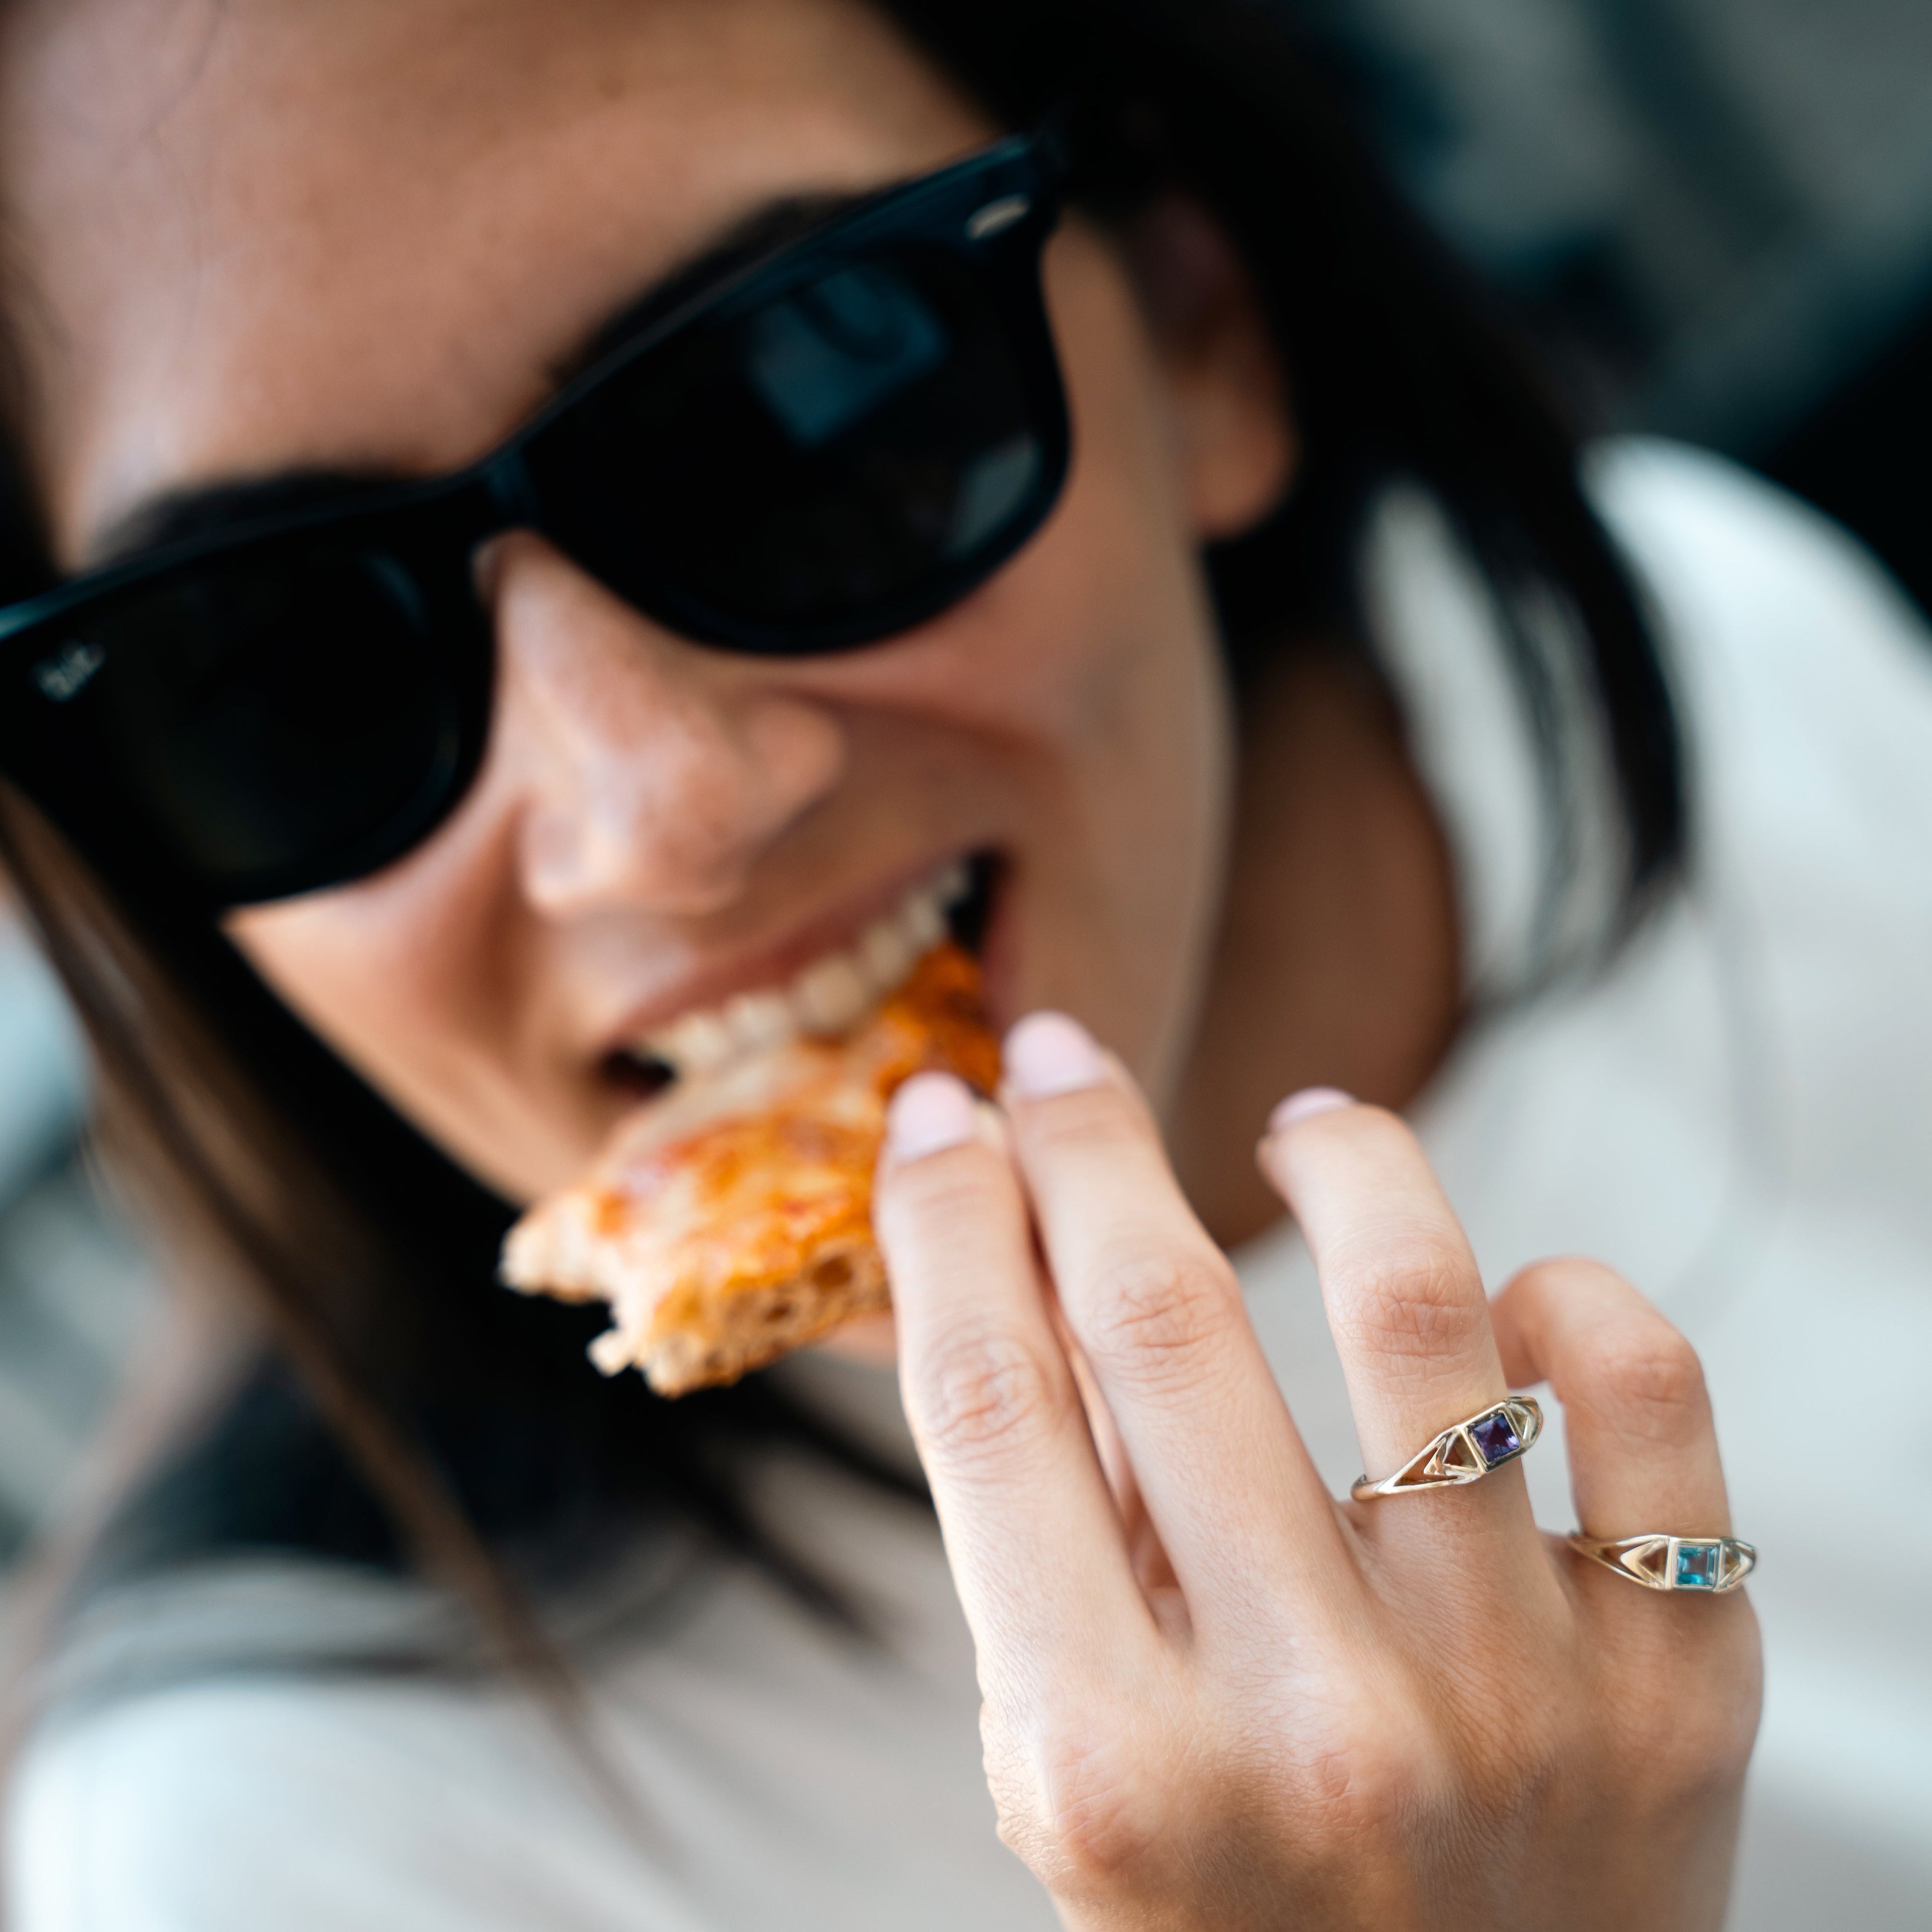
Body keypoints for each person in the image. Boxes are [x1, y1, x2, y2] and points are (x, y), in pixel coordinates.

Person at [0, 0, 1923, 1924]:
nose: (660, 806)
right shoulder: (278, 1866)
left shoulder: (1705, 654)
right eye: (280, 662)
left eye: (790, 396)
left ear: (1194, 322)